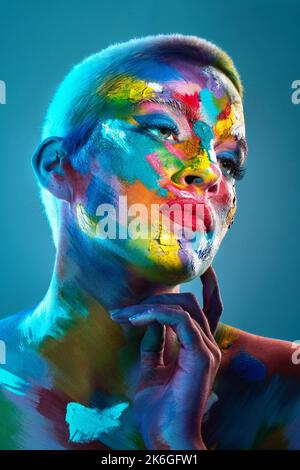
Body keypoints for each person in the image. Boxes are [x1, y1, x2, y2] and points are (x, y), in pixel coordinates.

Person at [1, 34, 300, 450]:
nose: (210, 173)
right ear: (58, 166)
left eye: (229, 160)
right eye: (163, 129)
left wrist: (179, 446)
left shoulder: (288, 385)